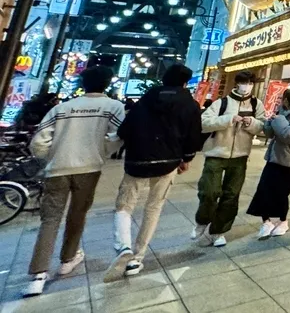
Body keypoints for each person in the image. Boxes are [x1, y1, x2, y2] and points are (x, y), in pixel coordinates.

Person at [23, 67, 123, 297]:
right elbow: (117, 136)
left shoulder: (62, 108)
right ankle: (68, 258)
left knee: (49, 219)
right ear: (107, 83)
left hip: (57, 168)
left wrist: (50, 156)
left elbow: (38, 142)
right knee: (78, 213)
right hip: (88, 167)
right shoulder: (112, 107)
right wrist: (101, 152)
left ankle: (38, 274)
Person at [106, 65, 204, 282]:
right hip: (168, 162)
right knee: (154, 207)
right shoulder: (190, 104)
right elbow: (193, 136)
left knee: (124, 206)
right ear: (185, 82)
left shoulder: (145, 101)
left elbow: (125, 129)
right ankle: (137, 257)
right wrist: (186, 158)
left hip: (137, 160)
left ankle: (123, 245)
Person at [193, 72, 265, 247]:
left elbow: (263, 127)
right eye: (243, 82)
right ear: (237, 83)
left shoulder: (257, 104)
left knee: (231, 196)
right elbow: (204, 123)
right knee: (209, 192)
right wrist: (229, 119)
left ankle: (219, 231)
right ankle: (202, 220)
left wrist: (251, 123)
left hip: (240, 156)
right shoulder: (222, 102)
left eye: (249, 83)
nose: (246, 86)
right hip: (216, 154)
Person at [246, 87, 290, 239]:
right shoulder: (281, 113)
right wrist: (269, 124)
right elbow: (270, 134)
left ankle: (283, 221)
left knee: (281, 193)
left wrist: (279, 121)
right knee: (263, 190)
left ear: (286, 100)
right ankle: (266, 222)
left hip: (289, 162)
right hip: (274, 158)